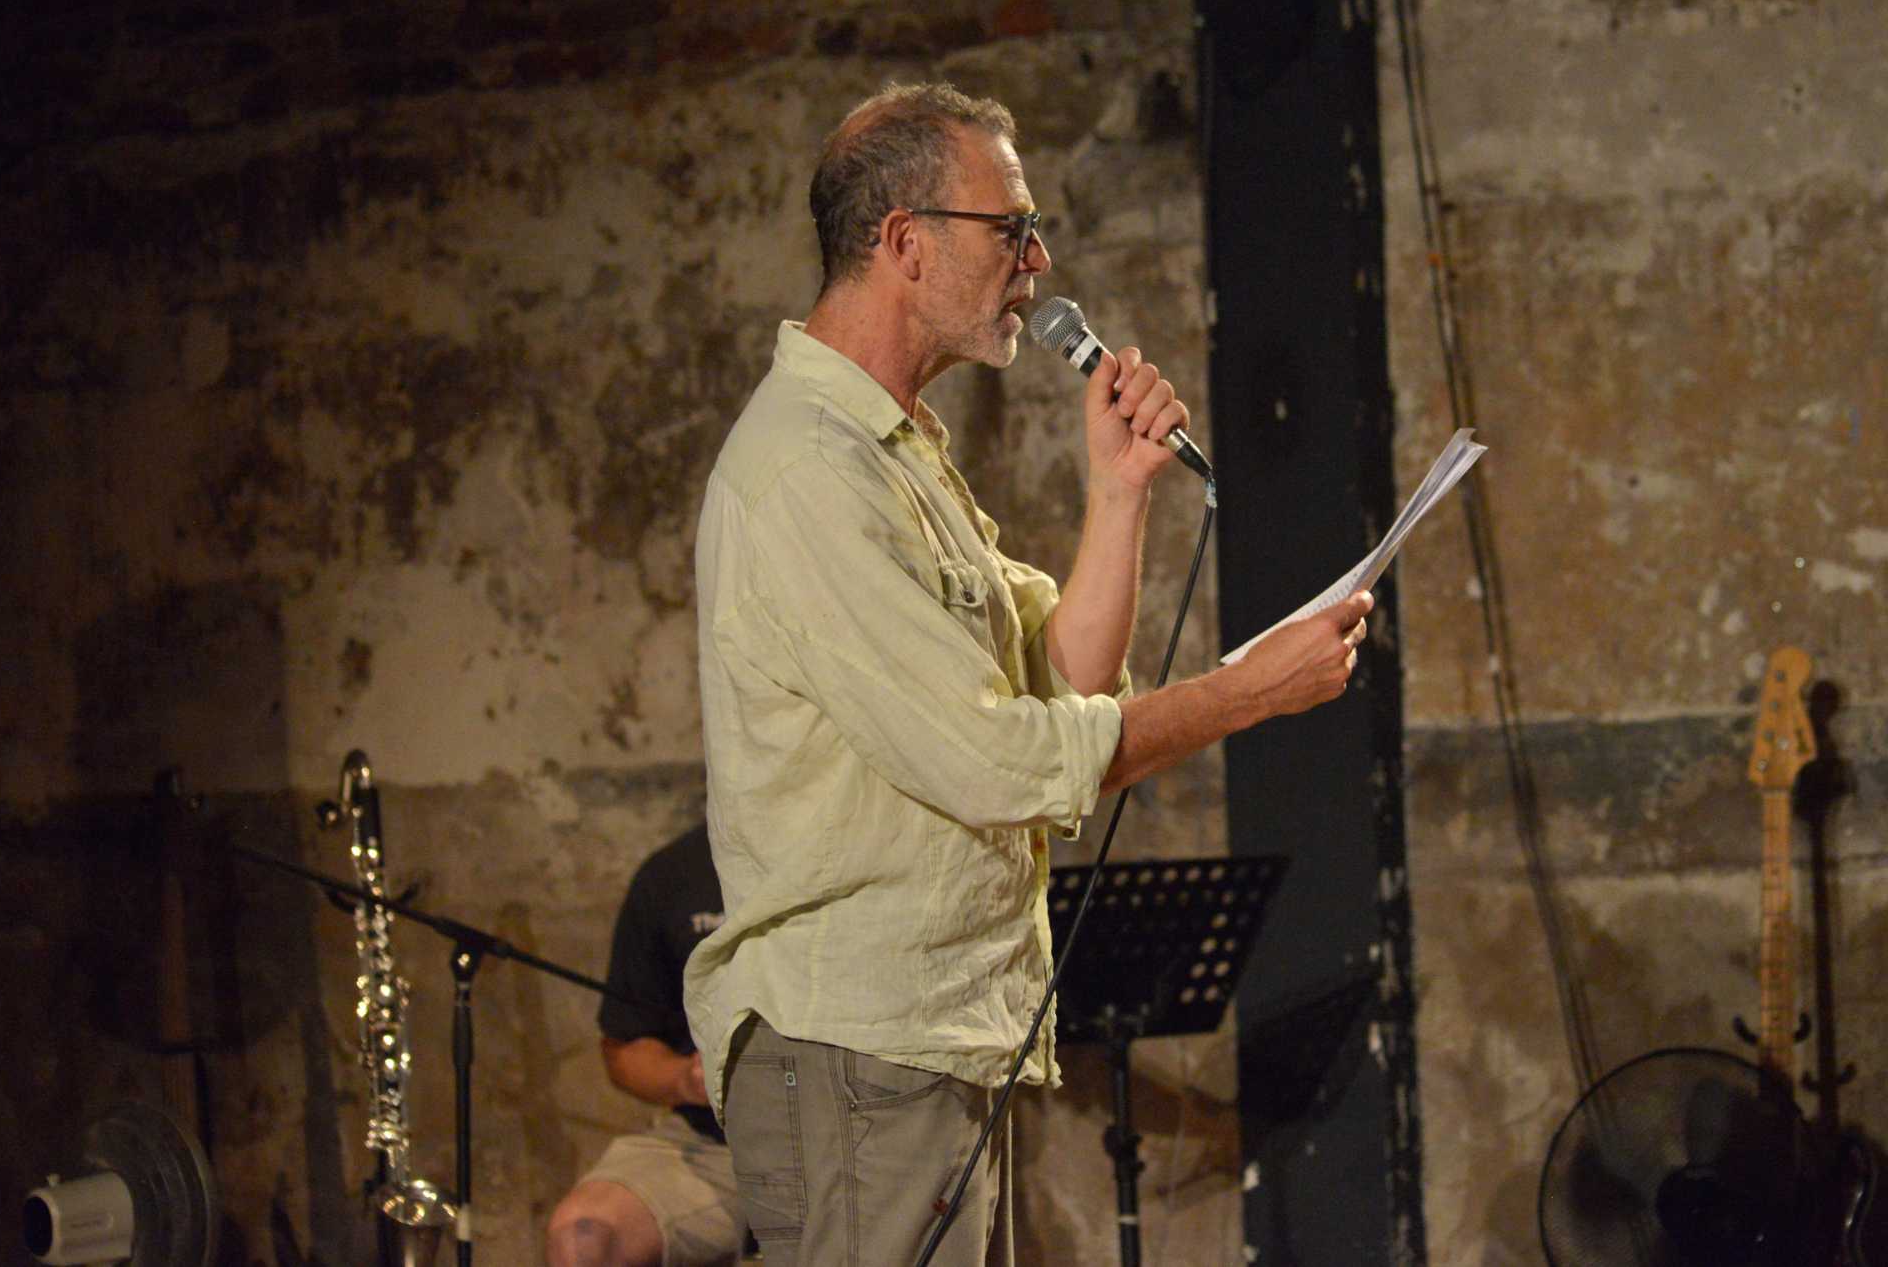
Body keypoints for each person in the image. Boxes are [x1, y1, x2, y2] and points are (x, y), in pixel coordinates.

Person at [683, 81, 1373, 1265]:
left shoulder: (892, 452)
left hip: (926, 1045)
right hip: (856, 1050)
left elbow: (1059, 682)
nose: (1039, 261)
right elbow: (1000, 765)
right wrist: (1248, 690)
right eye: (1011, 227)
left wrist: (1119, 491)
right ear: (903, 241)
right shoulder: (809, 471)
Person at [546, 825, 744, 1267]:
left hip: (851, 1139)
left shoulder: (858, 849)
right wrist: (687, 1079)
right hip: (716, 1143)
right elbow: (626, 1048)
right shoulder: (675, 871)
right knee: (583, 1236)